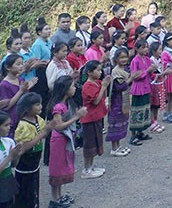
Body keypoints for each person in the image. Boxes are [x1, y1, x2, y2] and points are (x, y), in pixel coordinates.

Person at [47, 76, 88, 206]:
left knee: (62, 166)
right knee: (57, 168)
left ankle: (59, 196)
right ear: (65, 89)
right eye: (72, 86)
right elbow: (58, 126)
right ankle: (54, 198)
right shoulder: (58, 106)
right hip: (59, 139)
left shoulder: (68, 103)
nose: (74, 88)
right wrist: (77, 116)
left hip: (66, 138)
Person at [14, 92, 53, 208]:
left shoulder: (38, 119)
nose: (40, 106)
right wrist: (43, 133)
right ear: (27, 108)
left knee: (34, 186)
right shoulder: (23, 125)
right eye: (37, 104)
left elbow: (42, 134)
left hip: (35, 161)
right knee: (25, 189)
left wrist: (47, 129)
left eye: (40, 104)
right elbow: (25, 147)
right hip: (26, 162)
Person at [80, 61, 110, 179]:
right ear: (89, 72)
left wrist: (104, 85)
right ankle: (86, 168)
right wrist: (103, 86)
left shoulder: (97, 82)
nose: (100, 72)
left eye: (100, 70)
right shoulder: (88, 86)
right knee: (89, 144)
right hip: (89, 118)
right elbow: (96, 101)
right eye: (97, 70)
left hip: (97, 116)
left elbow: (103, 95)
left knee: (96, 141)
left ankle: (91, 166)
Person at [107, 48, 136, 157]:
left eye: (125, 57)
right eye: (121, 58)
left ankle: (118, 145)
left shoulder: (125, 69)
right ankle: (114, 148)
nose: (124, 60)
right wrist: (130, 79)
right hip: (116, 101)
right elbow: (119, 87)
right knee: (115, 123)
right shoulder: (116, 72)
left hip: (124, 99)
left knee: (122, 123)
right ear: (116, 59)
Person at [0, 55, 36, 137]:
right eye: (18, 64)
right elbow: (7, 106)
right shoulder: (4, 85)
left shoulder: (20, 80)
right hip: (11, 119)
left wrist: (27, 89)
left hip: (22, 117)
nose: (21, 66)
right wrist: (21, 91)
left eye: (22, 64)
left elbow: (25, 98)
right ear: (8, 67)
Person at [128, 40, 155, 145]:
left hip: (146, 87)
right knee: (136, 110)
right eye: (143, 47)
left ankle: (140, 132)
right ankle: (133, 135)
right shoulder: (135, 61)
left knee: (144, 110)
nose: (146, 49)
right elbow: (134, 75)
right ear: (137, 49)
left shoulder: (147, 59)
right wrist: (147, 72)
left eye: (146, 47)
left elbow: (149, 73)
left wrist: (153, 71)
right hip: (138, 88)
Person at [0, 113, 19, 208]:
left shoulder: (8, 141)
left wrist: (17, 154)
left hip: (8, 180)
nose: (9, 127)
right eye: (5, 125)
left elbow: (14, 164)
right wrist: (10, 157)